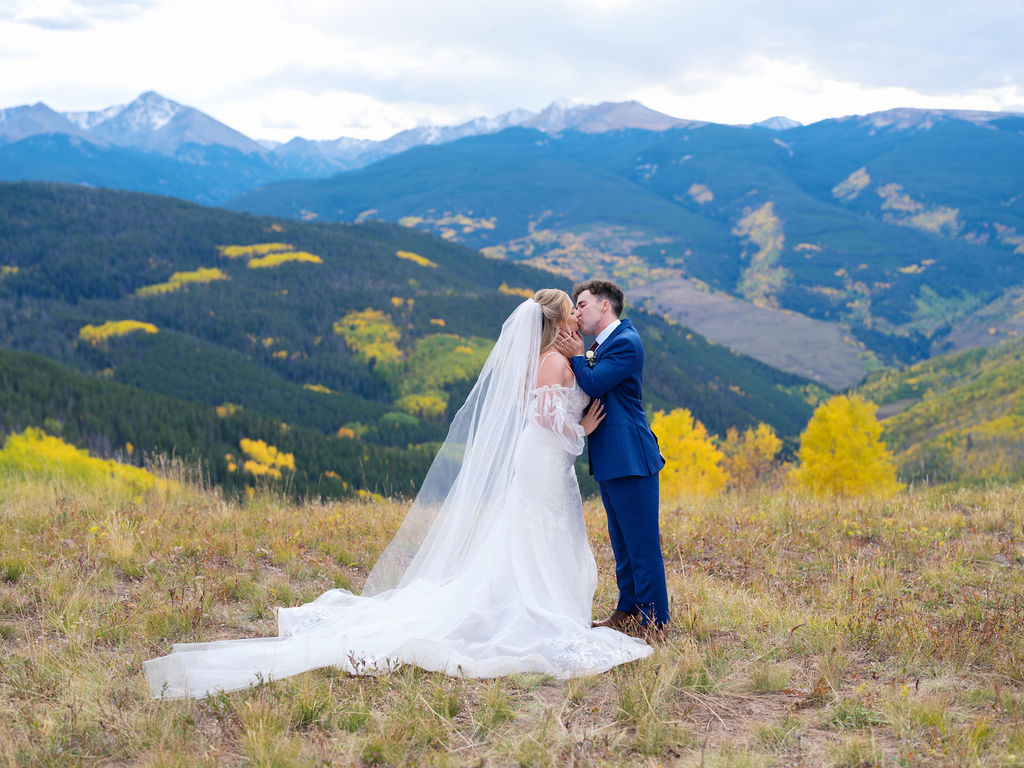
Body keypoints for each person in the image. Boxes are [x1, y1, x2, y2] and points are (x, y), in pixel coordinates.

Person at [144, 289, 652, 699]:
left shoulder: (556, 357)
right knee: (536, 539)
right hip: (543, 463)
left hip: (549, 467)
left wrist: (577, 419)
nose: (574, 323)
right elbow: (545, 421)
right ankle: (533, 609)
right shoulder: (551, 361)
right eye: (569, 315)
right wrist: (582, 429)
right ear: (554, 324)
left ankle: (545, 603)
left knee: (542, 539)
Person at [553, 279, 670, 636]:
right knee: (621, 540)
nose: (577, 311)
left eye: (582, 304)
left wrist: (575, 355)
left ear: (606, 306)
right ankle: (628, 608)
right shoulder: (602, 344)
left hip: (632, 457)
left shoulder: (626, 343)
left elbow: (593, 382)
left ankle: (655, 621)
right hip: (611, 458)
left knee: (642, 541)